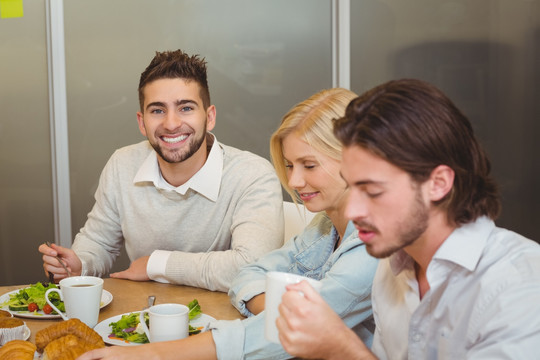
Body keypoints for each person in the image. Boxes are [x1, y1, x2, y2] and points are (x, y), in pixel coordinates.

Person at [78, 88, 378, 360]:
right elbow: (249, 274)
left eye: (309, 165)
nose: (294, 181)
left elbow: (282, 329)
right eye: (289, 165)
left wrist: (153, 354)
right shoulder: (325, 225)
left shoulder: (373, 245)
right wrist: (279, 315)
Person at [276, 78, 540, 359]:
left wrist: (342, 349)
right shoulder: (392, 268)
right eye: (351, 187)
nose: (353, 211)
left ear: (438, 183)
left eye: (373, 191)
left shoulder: (520, 285)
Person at [39, 49, 284, 292]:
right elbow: (99, 242)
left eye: (186, 108)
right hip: (143, 318)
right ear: (141, 122)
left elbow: (253, 267)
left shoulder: (252, 175)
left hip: (223, 323)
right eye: (157, 110)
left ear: (209, 117)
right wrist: (79, 264)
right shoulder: (122, 164)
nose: (171, 123)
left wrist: (156, 265)